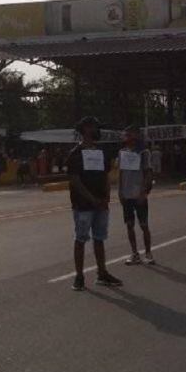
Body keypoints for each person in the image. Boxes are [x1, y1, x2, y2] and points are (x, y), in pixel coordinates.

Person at [65, 116, 123, 291]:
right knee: (81, 239)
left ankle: (102, 273)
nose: (97, 130)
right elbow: (75, 180)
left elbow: (105, 176)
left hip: (100, 204)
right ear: (84, 130)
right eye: (93, 127)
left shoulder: (100, 152)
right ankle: (79, 276)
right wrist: (92, 199)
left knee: (99, 238)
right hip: (83, 205)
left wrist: (106, 197)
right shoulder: (75, 153)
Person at [117, 126, 154, 265]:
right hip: (126, 195)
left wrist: (144, 192)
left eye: (128, 134)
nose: (125, 137)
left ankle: (148, 253)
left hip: (139, 195)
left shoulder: (144, 152)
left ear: (135, 136)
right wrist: (120, 191)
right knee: (129, 225)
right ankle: (134, 253)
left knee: (144, 225)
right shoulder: (122, 152)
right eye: (125, 134)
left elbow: (148, 173)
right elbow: (120, 173)